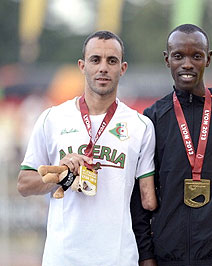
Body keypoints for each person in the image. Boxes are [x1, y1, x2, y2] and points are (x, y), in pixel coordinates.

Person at [17, 30, 157, 266]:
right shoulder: (51, 118)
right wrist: (59, 173)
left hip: (119, 258)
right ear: (82, 66)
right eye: (95, 59)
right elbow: (23, 184)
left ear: (122, 68)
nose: (103, 67)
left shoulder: (141, 126)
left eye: (111, 61)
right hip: (63, 257)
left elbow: (148, 201)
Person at [133, 24, 212, 266]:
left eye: (196, 56)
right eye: (179, 56)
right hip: (168, 255)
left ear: (208, 59)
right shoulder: (152, 117)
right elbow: (141, 192)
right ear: (167, 60)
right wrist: (146, 254)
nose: (187, 64)